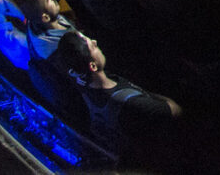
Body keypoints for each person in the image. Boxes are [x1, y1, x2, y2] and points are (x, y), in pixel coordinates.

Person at [56, 31, 182, 163]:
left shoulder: (82, 85)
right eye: (92, 46)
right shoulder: (128, 101)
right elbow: (175, 110)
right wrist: (151, 96)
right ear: (92, 66)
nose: (95, 42)